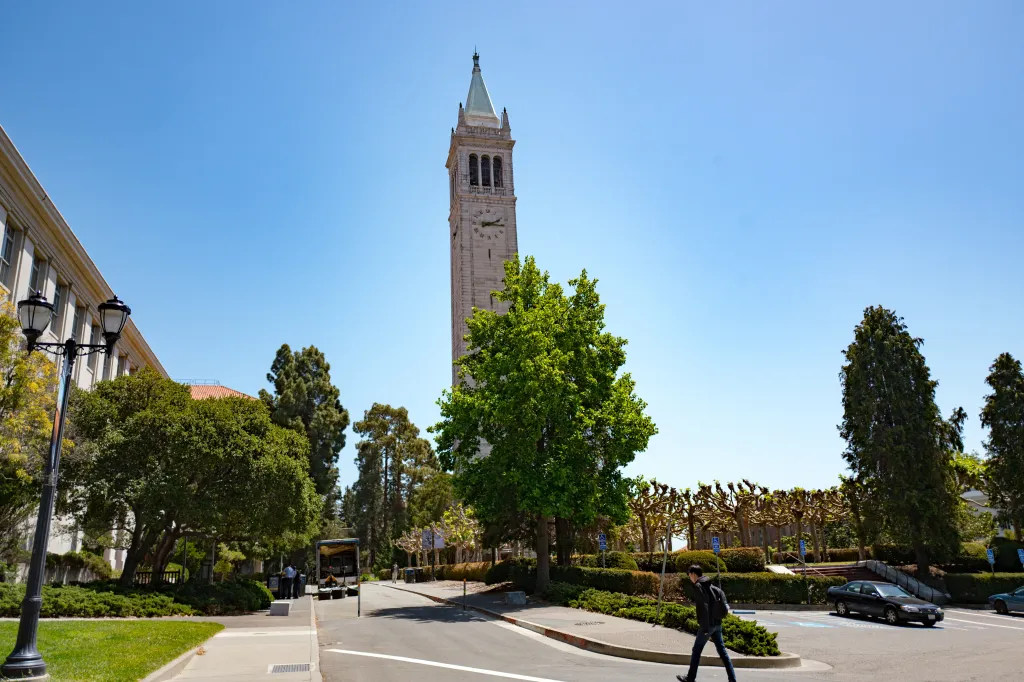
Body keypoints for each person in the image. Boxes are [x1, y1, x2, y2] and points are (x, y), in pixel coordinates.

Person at [677, 564, 736, 682]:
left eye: (689, 575)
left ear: (693, 574)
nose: (690, 578)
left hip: (707, 626)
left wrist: (704, 627)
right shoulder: (713, 587)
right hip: (717, 624)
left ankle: (690, 678)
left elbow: (703, 608)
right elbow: (724, 605)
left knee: (696, 650)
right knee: (723, 652)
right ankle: (732, 679)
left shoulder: (699, 586)